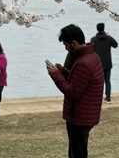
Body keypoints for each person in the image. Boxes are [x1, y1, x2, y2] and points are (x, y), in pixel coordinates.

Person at [47, 24, 103, 158]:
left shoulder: (82, 62)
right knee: (77, 151)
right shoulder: (92, 56)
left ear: (74, 43)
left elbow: (72, 92)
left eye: (66, 45)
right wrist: (62, 71)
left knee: (77, 153)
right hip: (86, 114)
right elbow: (79, 82)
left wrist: (55, 75)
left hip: (79, 116)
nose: (66, 49)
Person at [90, 23, 118, 103]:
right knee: (107, 80)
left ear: (97, 29)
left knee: (98, 82)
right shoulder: (109, 38)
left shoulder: (93, 39)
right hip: (107, 63)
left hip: (97, 64)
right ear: (104, 28)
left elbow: (90, 50)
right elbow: (115, 45)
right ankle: (108, 97)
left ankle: (97, 97)